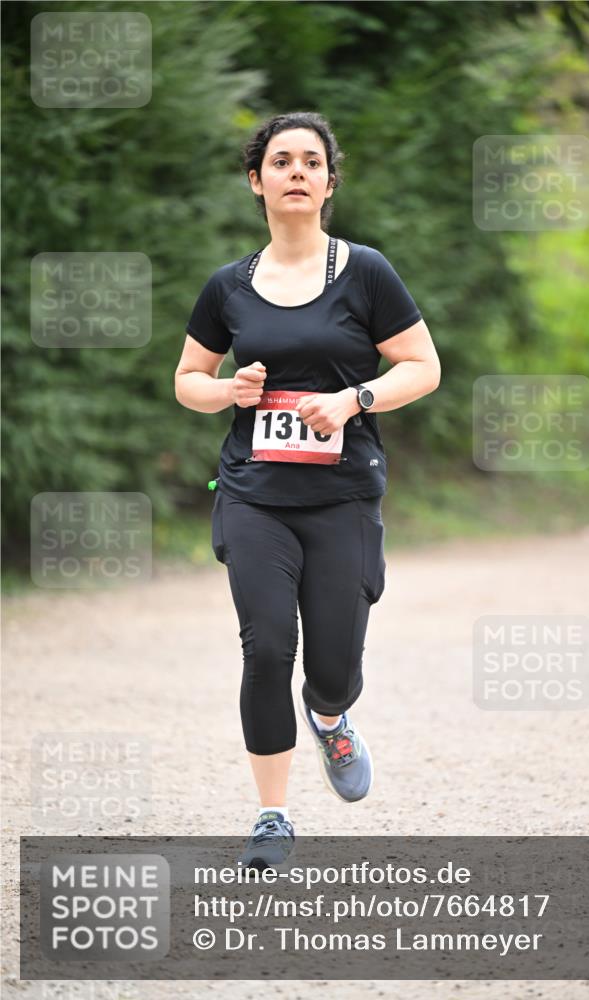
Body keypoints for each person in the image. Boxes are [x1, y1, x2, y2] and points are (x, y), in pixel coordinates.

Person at [175, 111, 440, 869]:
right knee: (265, 647)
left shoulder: (365, 272)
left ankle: (330, 714)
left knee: (331, 663)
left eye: (311, 162)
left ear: (328, 182)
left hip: (341, 498)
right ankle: (271, 817)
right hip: (254, 494)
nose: (296, 172)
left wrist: (355, 399)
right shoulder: (227, 285)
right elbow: (187, 379)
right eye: (280, 161)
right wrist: (227, 391)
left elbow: (421, 367)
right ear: (255, 181)